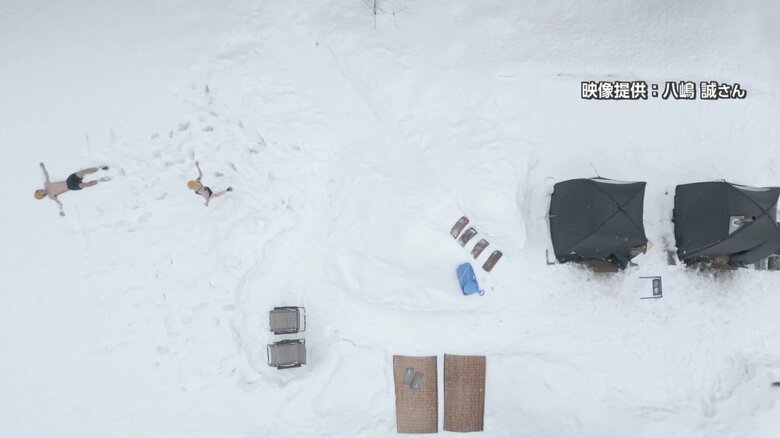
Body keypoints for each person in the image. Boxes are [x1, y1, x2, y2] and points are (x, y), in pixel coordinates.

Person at [34, 162, 109, 216]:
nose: (40, 190)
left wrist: (43, 168)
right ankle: (100, 180)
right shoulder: (51, 196)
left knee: (82, 172)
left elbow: (46, 175)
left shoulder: (46, 184)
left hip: (69, 180)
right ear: (42, 195)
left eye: (39, 190)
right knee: (84, 185)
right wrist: (61, 210)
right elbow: (58, 203)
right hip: (71, 186)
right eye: (40, 193)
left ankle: (100, 167)